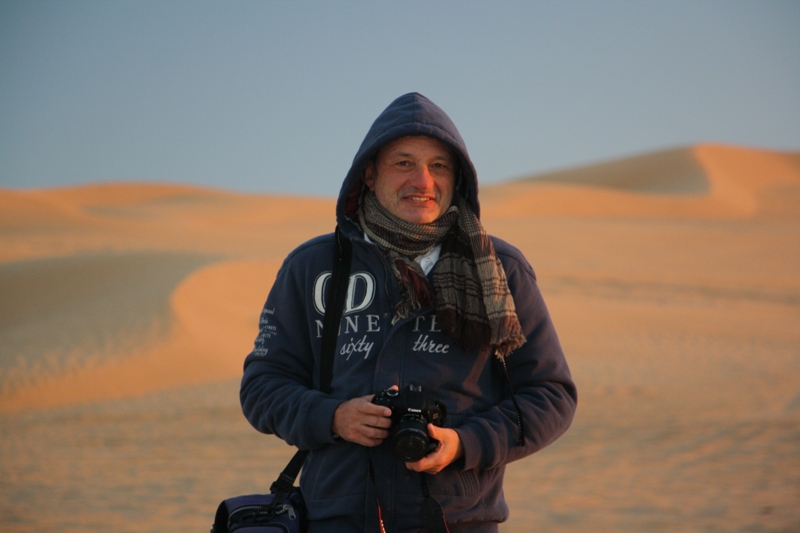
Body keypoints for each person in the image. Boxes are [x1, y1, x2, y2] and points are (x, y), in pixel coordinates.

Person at [240, 92, 577, 532]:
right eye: (403, 163)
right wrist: (332, 417)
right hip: (335, 522)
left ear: (458, 179)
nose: (423, 180)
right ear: (369, 174)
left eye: (439, 165)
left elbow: (551, 394)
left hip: (460, 521)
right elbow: (263, 386)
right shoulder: (313, 267)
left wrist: (464, 443)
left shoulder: (500, 270)